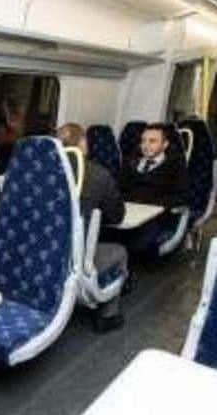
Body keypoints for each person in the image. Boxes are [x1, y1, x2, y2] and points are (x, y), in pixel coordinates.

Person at [56, 123, 127, 331]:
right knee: (120, 252)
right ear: (83, 143)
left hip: (45, 251)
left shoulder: (40, 172)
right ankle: (108, 316)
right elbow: (117, 216)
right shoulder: (99, 175)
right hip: (74, 258)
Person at [117, 122, 189, 255]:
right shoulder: (130, 162)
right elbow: (118, 190)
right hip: (128, 214)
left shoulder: (175, 166)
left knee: (139, 244)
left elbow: (182, 196)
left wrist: (149, 203)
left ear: (165, 144)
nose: (146, 145)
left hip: (156, 218)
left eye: (152, 141)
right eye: (143, 141)